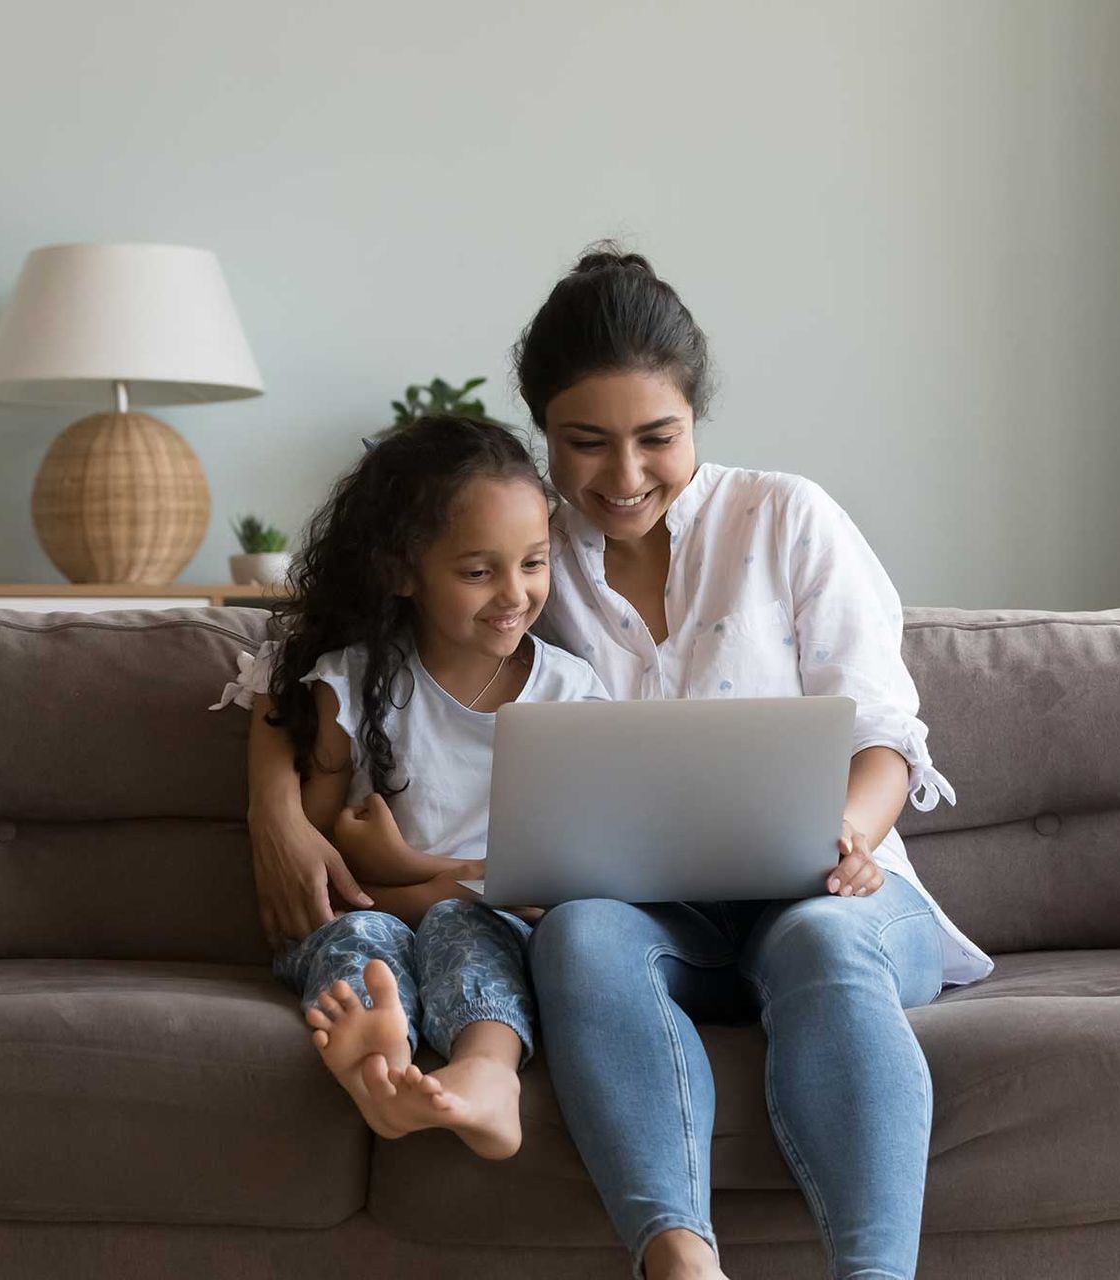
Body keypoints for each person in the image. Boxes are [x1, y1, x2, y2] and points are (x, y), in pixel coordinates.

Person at [246, 248, 993, 1280]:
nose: (625, 477)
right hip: (654, 914)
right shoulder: (522, 549)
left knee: (819, 938)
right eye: (585, 444)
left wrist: (852, 830)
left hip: (838, 886)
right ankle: (679, 1261)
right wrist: (275, 814)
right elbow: (293, 667)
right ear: (544, 433)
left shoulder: (788, 518)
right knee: (587, 933)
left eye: (658, 439)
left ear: (697, 417)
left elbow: (885, 733)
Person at [214, 414, 607, 1160]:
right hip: (373, 915)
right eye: (477, 571)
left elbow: (551, 890)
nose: (515, 594)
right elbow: (328, 884)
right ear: (402, 572)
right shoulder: (352, 685)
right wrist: (427, 885)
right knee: (361, 941)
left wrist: (418, 873)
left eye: (533, 562)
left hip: (497, 926)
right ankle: (379, 1073)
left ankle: (488, 1080)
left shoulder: (569, 694)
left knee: (471, 933)